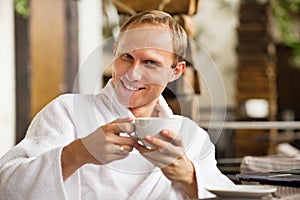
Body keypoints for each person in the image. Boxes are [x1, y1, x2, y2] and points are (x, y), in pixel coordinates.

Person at [0, 10, 234, 199]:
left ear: (175, 71)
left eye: (150, 62)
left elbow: (226, 194)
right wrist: (78, 153)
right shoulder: (67, 113)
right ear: (115, 52)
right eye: (127, 57)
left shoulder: (191, 136)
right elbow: (7, 187)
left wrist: (190, 177)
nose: (132, 74)